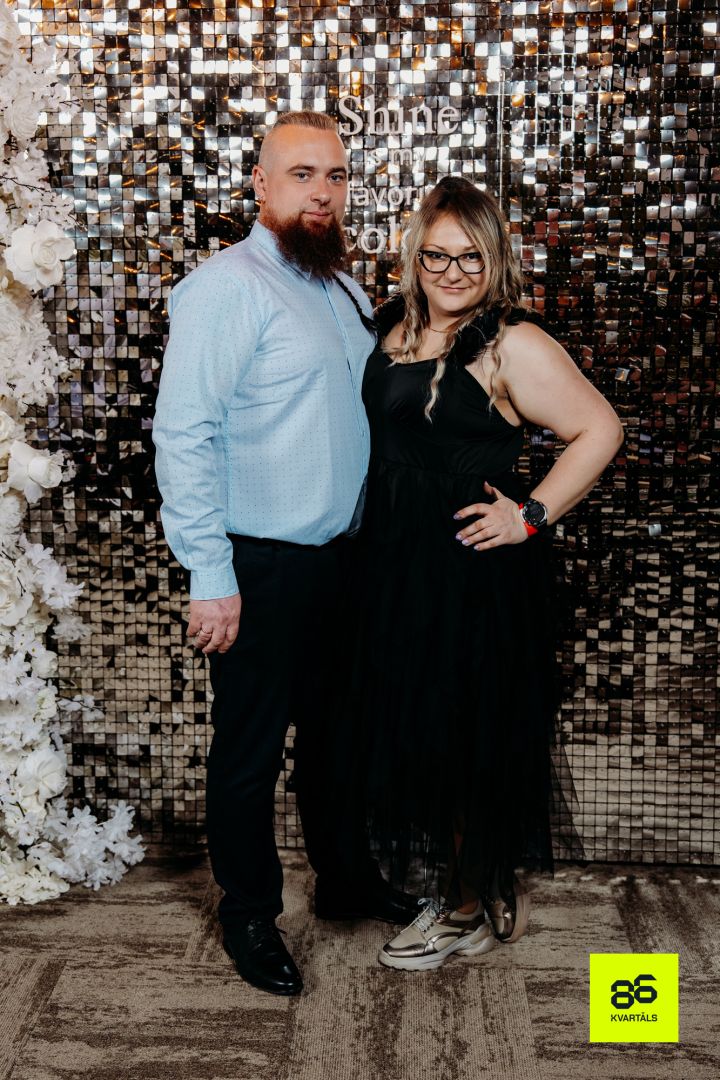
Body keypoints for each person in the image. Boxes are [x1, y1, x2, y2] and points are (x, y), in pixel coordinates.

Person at [152, 111, 418, 997]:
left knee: (340, 737)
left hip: (342, 560)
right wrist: (210, 573)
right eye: (302, 174)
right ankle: (249, 913)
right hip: (260, 563)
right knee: (251, 749)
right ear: (260, 185)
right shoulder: (226, 287)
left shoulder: (337, 285)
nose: (322, 192)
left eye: (335, 175)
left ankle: (346, 880)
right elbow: (184, 435)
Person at [345, 176, 624, 971]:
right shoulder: (392, 325)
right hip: (394, 566)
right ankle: (477, 882)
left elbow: (600, 428)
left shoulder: (511, 343)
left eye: (470, 257)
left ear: (495, 259)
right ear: (414, 256)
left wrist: (528, 515)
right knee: (418, 735)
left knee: (466, 741)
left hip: (469, 574)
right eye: (436, 255)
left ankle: (465, 909)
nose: (453, 272)